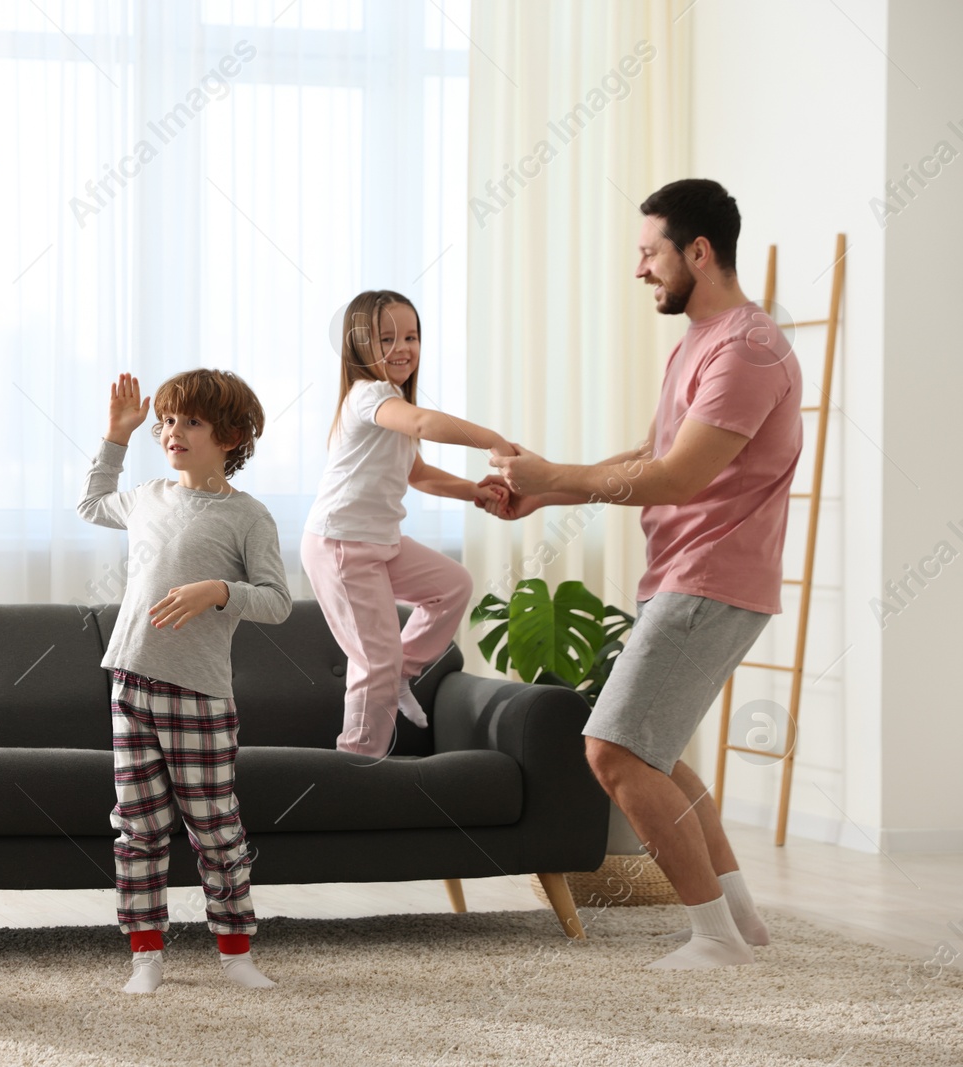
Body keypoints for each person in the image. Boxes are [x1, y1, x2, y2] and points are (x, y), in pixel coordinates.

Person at [486, 178, 802, 970]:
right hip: (687, 573)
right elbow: (651, 455)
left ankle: (714, 939)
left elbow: (677, 479)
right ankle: (740, 924)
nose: (639, 270)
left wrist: (554, 471)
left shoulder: (748, 348)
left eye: (648, 252)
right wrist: (548, 486)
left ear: (699, 251)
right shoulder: (702, 339)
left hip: (712, 575)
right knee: (649, 748)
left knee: (615, 751)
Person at [77, 369, 292, 994]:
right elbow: (91, 505)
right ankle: (145, 954)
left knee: (216, 827)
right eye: (166, 421)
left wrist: (220, 591)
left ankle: (234, 952)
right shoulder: (145, 495)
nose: (172, 432)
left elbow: (278, 601)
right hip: (130, 680)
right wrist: (115, 436)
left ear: (229, 436)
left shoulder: (248, 517)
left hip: (199, 694)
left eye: (190, 422)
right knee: (137, 826)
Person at [301, 290, 513, 758]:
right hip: (341, 545)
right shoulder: (369, 396)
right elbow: (421, 423)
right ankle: (356, 765)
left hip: (381, 542)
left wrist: (475, 491)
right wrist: (491, 439)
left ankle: (400, 671)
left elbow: (417, 474)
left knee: (452, 585)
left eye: (411, 336)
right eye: (386, 338)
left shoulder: (390, 401)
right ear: (358, 348)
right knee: (374, 661)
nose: (403, 348)